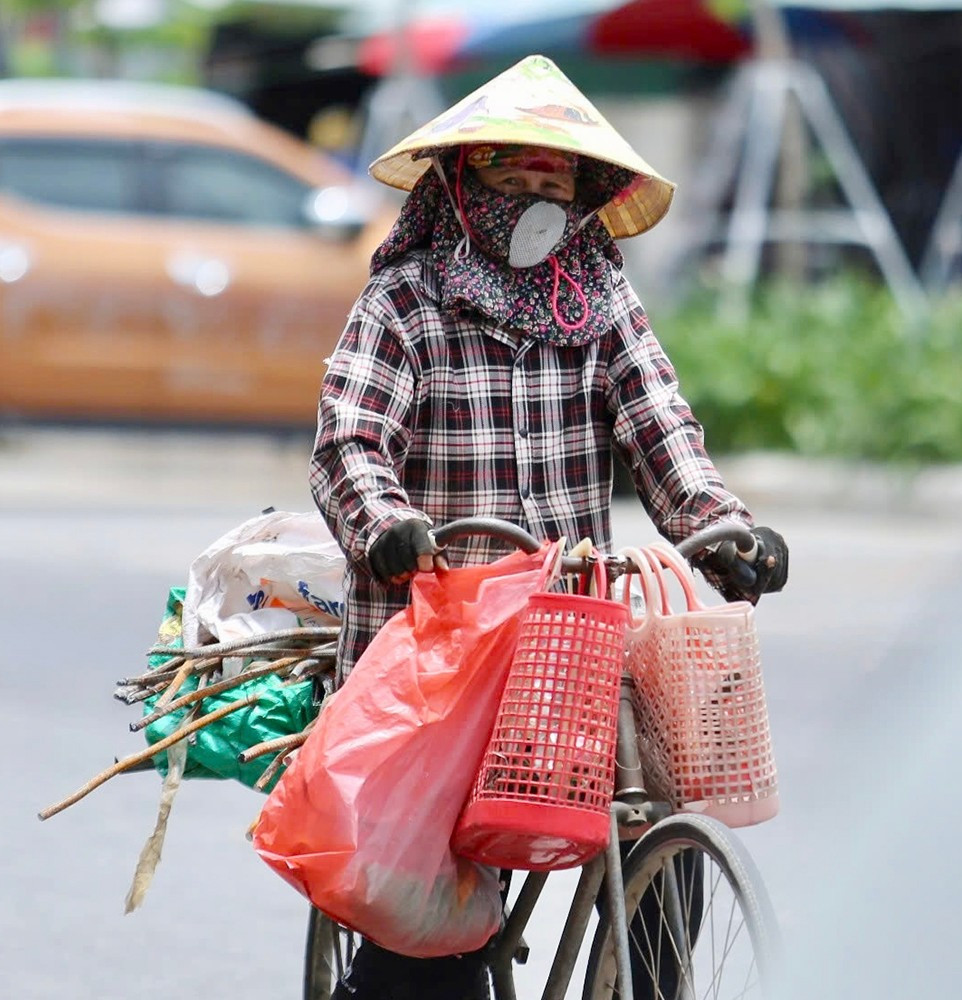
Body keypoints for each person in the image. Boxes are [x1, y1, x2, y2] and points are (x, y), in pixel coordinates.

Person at [309, 55, 789, 1000]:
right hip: (437, 655)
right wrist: (389, 526)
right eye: (511, 171)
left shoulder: (600, 300)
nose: (534, 193)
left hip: (569, 645)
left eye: (554, 176)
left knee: (660, 820)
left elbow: (664, 433)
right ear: (463, 182)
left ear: (582, 193)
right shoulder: (405, 303)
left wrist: (724, 525)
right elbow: (350, 446)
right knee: (426, 944)